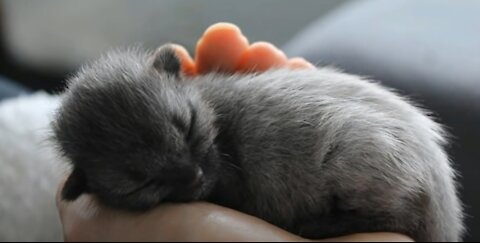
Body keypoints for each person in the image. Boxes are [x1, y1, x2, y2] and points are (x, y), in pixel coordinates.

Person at [55, 23, 413, 242]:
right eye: (143, 181)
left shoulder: (225, 114)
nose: (192, 173)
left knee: (349, 143)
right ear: (84, 186)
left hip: (388, 173)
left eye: (190, 128)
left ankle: (378, 215)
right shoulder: (179, 107)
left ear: (173, 74)